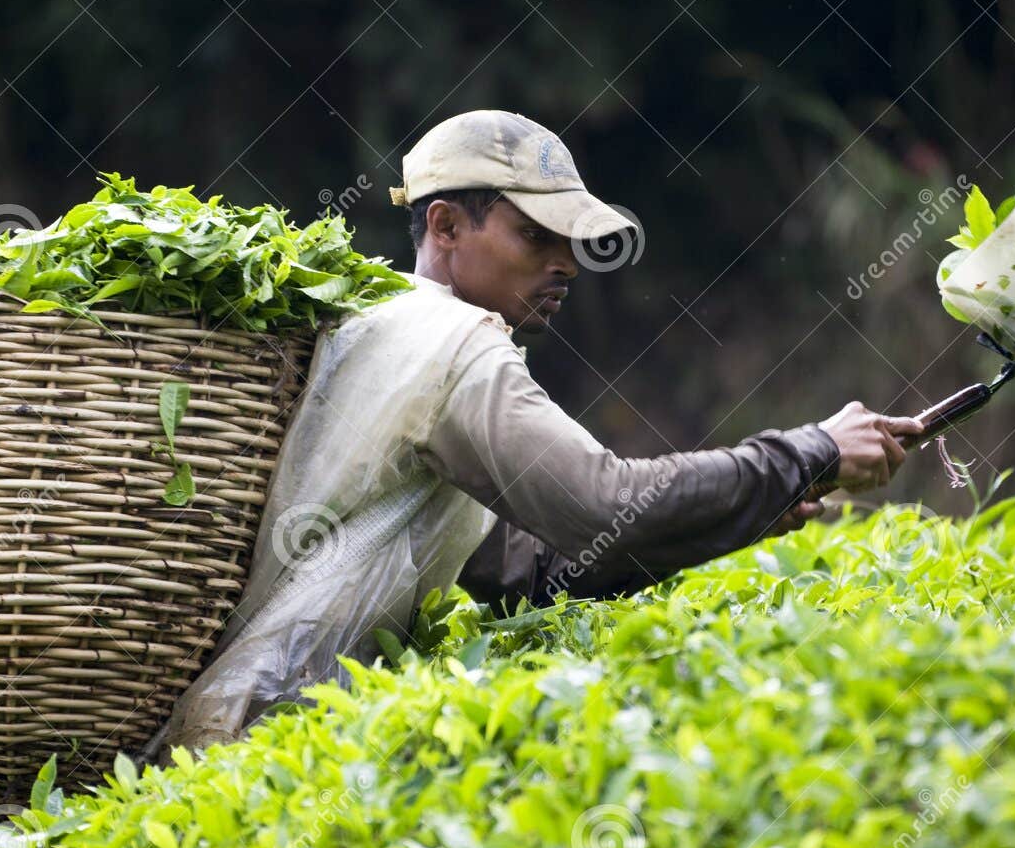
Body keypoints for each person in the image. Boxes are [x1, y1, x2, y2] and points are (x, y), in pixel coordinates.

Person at [148, 109, 922, 764]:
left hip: (244, 728)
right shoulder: (452, 347)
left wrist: (751, 504)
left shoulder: (380, 326)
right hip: (273, 731)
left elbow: (539, 571)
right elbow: (604, 503)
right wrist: (806, 451)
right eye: (534, 237)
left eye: (570, 243)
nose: (566, 266)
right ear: (447, 225)